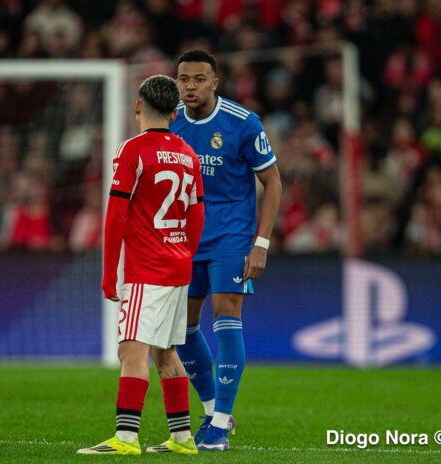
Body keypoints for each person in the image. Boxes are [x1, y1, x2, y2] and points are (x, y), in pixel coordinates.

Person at [77, 75, 205, 456]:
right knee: (166, 352)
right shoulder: (188, 154)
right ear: (175, 113)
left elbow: (116, 215)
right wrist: (184, 254)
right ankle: (182, 438)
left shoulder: (131, 150)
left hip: (145, 270)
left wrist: (108, 275)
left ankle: (126, 437)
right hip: (178, 267)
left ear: (137, 106)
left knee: (131, 350)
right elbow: (197, 215)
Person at [170, 50, 282, 451]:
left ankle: (218, 426)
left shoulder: (243, 122)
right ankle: (213, 409)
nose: (190, 86)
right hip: (185, 238)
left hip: (231, 237)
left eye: (199, 79)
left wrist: (261, 243)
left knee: (226, 312)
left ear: (214, 83)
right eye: (184, 79)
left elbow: (273, 182)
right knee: (181, 328)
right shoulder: (170, 121)